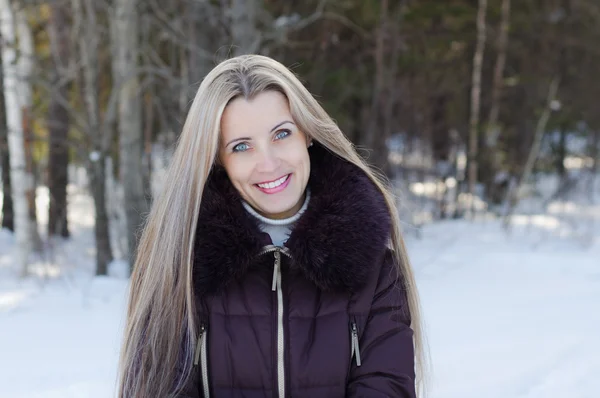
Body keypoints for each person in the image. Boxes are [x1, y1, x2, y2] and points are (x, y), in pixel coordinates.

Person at [117, 54, 425, 398]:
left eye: (281, 134)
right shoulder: (178, 261)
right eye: (242, 146)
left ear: (307, 133)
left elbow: (386, 388)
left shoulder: (373, 263)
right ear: (218, 158)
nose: (268, 163)